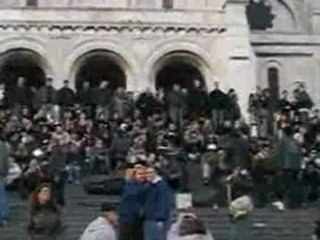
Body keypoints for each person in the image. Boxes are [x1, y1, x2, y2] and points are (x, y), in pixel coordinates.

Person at [118, 165, 147, 240]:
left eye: (144, 174)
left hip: (136, 220)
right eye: (140, 174)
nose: (142, 176)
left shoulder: (142, 186)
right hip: (128, 220)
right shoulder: (130, 186)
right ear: (134, 175)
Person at [144, 167, 172, 240]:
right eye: (147, 173)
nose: (148, 175)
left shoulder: (161, 186)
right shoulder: (148, 185)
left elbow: (163, 202)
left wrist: (160, 218)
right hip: (149, 218)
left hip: (157, 219)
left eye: (151, 173)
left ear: (155, 173)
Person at [0, 131, 9, 226]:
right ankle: (3, 218)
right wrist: (6, 172)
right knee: (1, 196)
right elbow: (5, 160)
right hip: (1, 172)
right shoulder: (3, 145)